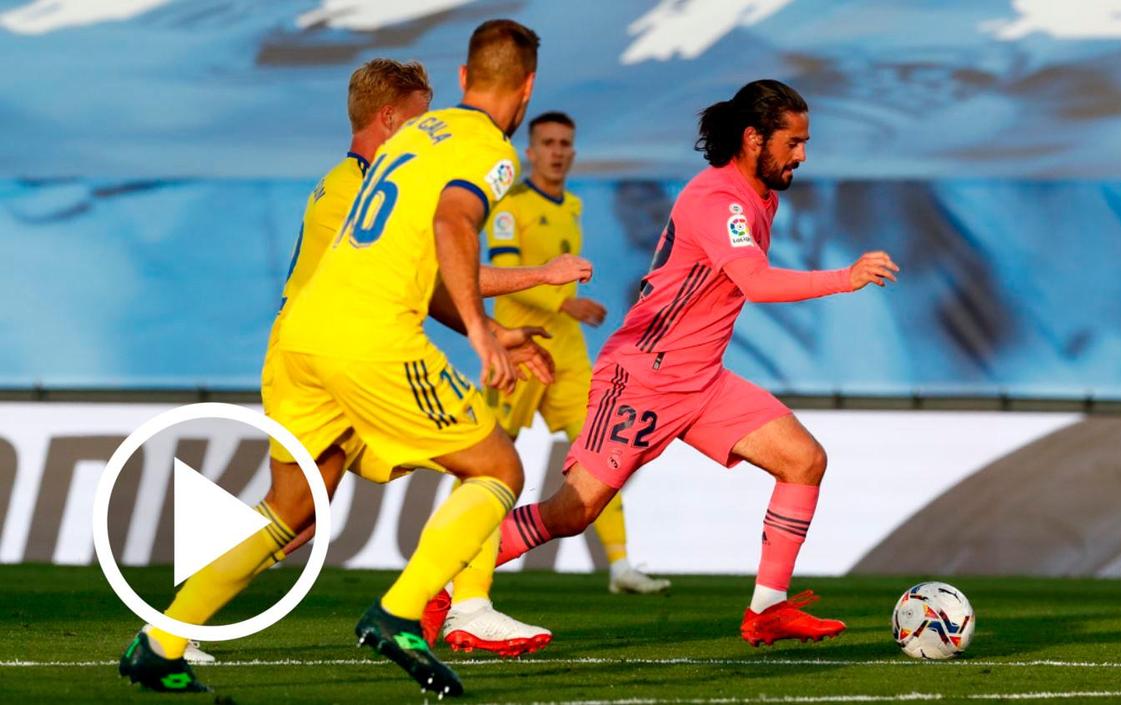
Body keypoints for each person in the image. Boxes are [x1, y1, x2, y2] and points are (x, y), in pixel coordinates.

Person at [120, 20, 551, 697]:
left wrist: (485, 317)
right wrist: (480, 329)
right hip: (369, 336)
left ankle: (160, 641)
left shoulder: (413, 136)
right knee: (499, 467)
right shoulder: (491, 151)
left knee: (290, 509)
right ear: (527, 89)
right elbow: (453, 224)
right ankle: (400, 612)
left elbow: (411, 252)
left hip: (302, 332)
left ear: (464, 80)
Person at [488, 80, 900, 647]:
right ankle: (441, 586)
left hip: (701, 379)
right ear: (754, 138)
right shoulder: (717, 200)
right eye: (794, 142)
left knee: (803, 460)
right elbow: (753, 281)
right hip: (643, 377)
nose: (803, 154)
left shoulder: (762, 197)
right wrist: (844, 278)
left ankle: (767, 608)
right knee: (571, 513)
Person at [480, 111, 669, 597]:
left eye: (565, 143)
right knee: (485, 465)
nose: (557, 151)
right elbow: (503, 277)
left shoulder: (573, 206)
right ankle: (463, 561)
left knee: (603, 456)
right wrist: (568, 302)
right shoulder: (509, 207)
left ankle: (622, 565)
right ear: (531, 151)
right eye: (548, 143)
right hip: (520, 355)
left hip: (568, 358)